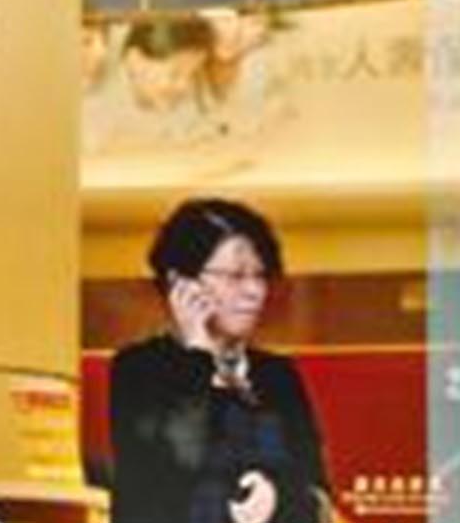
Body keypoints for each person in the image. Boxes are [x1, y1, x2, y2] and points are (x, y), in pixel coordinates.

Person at [107, 198, 327, 523]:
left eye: (260, 275)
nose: (254, 291)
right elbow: (171, 469)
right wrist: (196, 356)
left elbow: (317, 493)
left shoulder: (278, 376)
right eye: (235, 276)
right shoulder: (139, 370)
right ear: (181, 283)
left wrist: (278, 497)